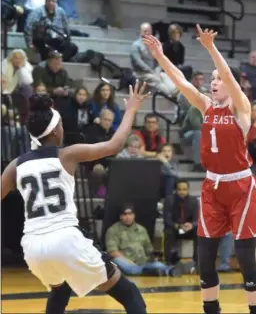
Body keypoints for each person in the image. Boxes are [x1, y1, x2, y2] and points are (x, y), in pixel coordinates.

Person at [1, 81, 149, 314]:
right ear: (55, 130)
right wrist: (131, 109)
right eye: (60, 123)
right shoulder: (68, 155)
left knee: (59, 290)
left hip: (32, 247)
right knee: (129, 293)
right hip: (65, 239)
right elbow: (115, 144)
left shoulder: (15, 165)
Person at [144, 25, 256, 314]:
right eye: (210, 79)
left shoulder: (241, 108)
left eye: (217, 79)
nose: (213, 82)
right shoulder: (206, 106)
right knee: (204, 256)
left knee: (246, 256)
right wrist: (160, 56)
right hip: (213, 187)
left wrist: (211, 48)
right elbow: (181, 81)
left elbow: (230, 79)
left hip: (241, 187)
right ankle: (211, 310)